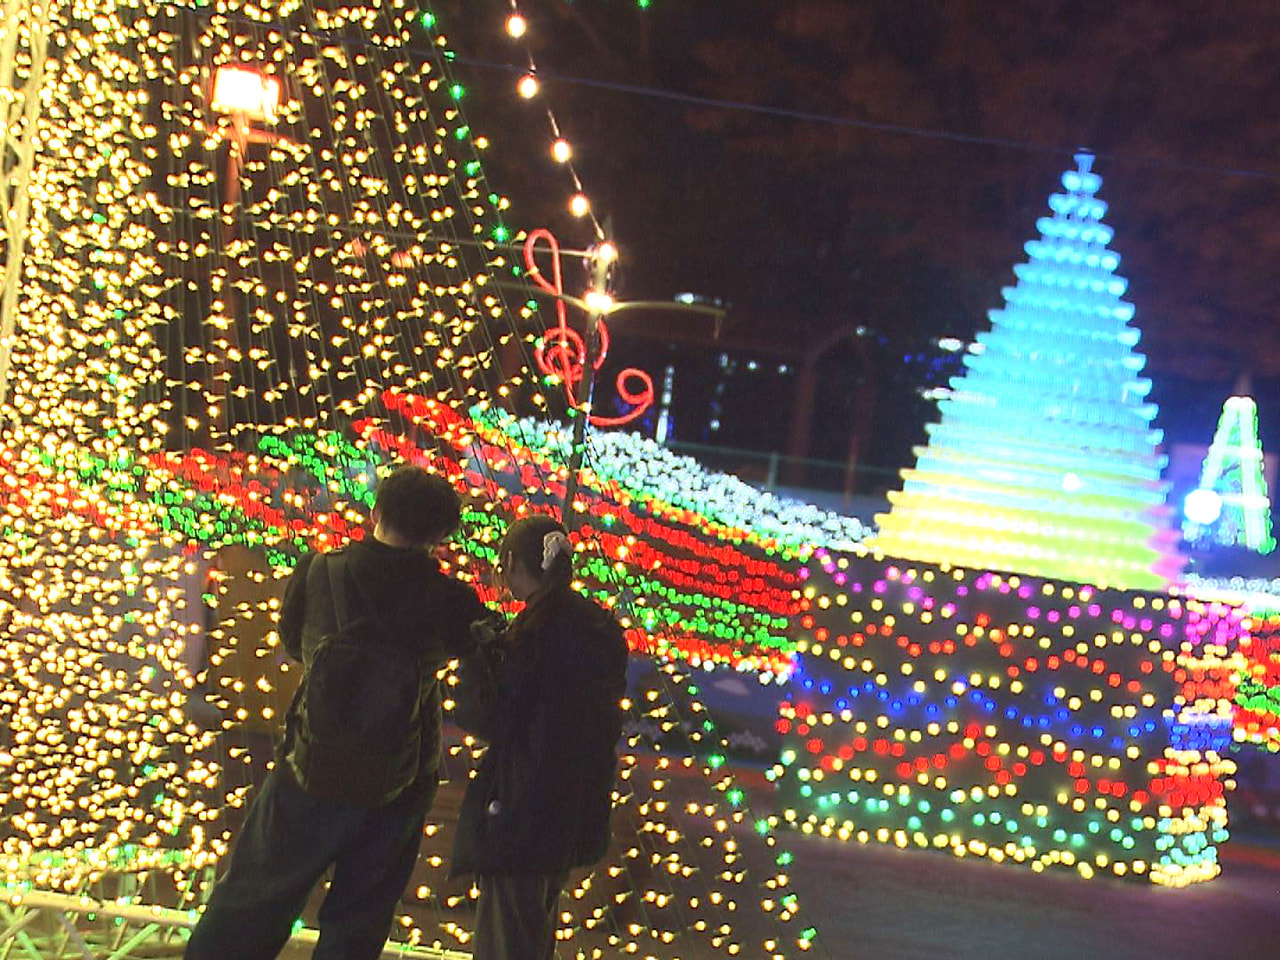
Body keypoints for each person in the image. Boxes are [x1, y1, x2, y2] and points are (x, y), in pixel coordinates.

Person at [186, 465, 486, 960]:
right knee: (360, 917)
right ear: (440, 534)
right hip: (401, 776)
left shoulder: (321, 571)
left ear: (376, 512)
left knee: (256, 895)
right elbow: (479, 657)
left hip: (310, 762)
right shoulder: (450, 599)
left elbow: (292, 643)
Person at [450, 515, 629, 960]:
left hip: (521, 809)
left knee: (505, 939)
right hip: (574, 809)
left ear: (509, 562)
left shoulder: (532, 633)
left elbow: (489, 718)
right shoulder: (600, 629)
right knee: (535, 932)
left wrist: (478, 659)